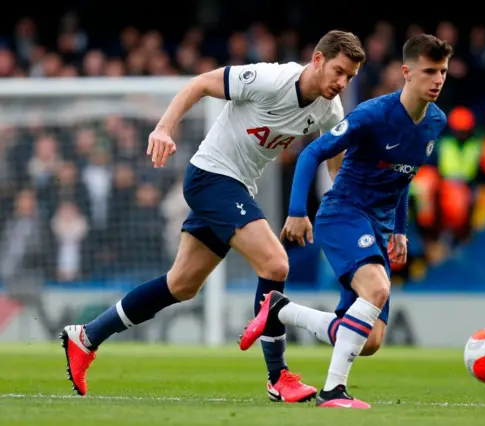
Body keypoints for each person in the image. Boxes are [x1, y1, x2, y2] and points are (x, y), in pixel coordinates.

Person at [60, 30, 366, 402]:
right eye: (338, 71)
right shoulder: (271, 79)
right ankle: (278, 376)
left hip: (236, 188)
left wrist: (341, 204)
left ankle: (87, 336)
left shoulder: (329, 109)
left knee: (181, 285)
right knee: (275, 264)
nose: (342, 82)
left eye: (349, 77)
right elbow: (201, 83)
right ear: (317, 59)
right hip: (211, 178)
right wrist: (163, 128)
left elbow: (335, 161)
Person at [239, 34, 453, 409]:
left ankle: (279, 309)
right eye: (429, 71)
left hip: (379, 227)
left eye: (443, 72)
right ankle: (334, 391)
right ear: (406, 72)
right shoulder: (372, 115)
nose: (437, 79)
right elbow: (311, 154)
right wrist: (296, 211)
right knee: (378, 289)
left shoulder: (435, 122)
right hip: (343, 214)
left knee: (368, 341)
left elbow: (404, 175)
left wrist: (400, 228)